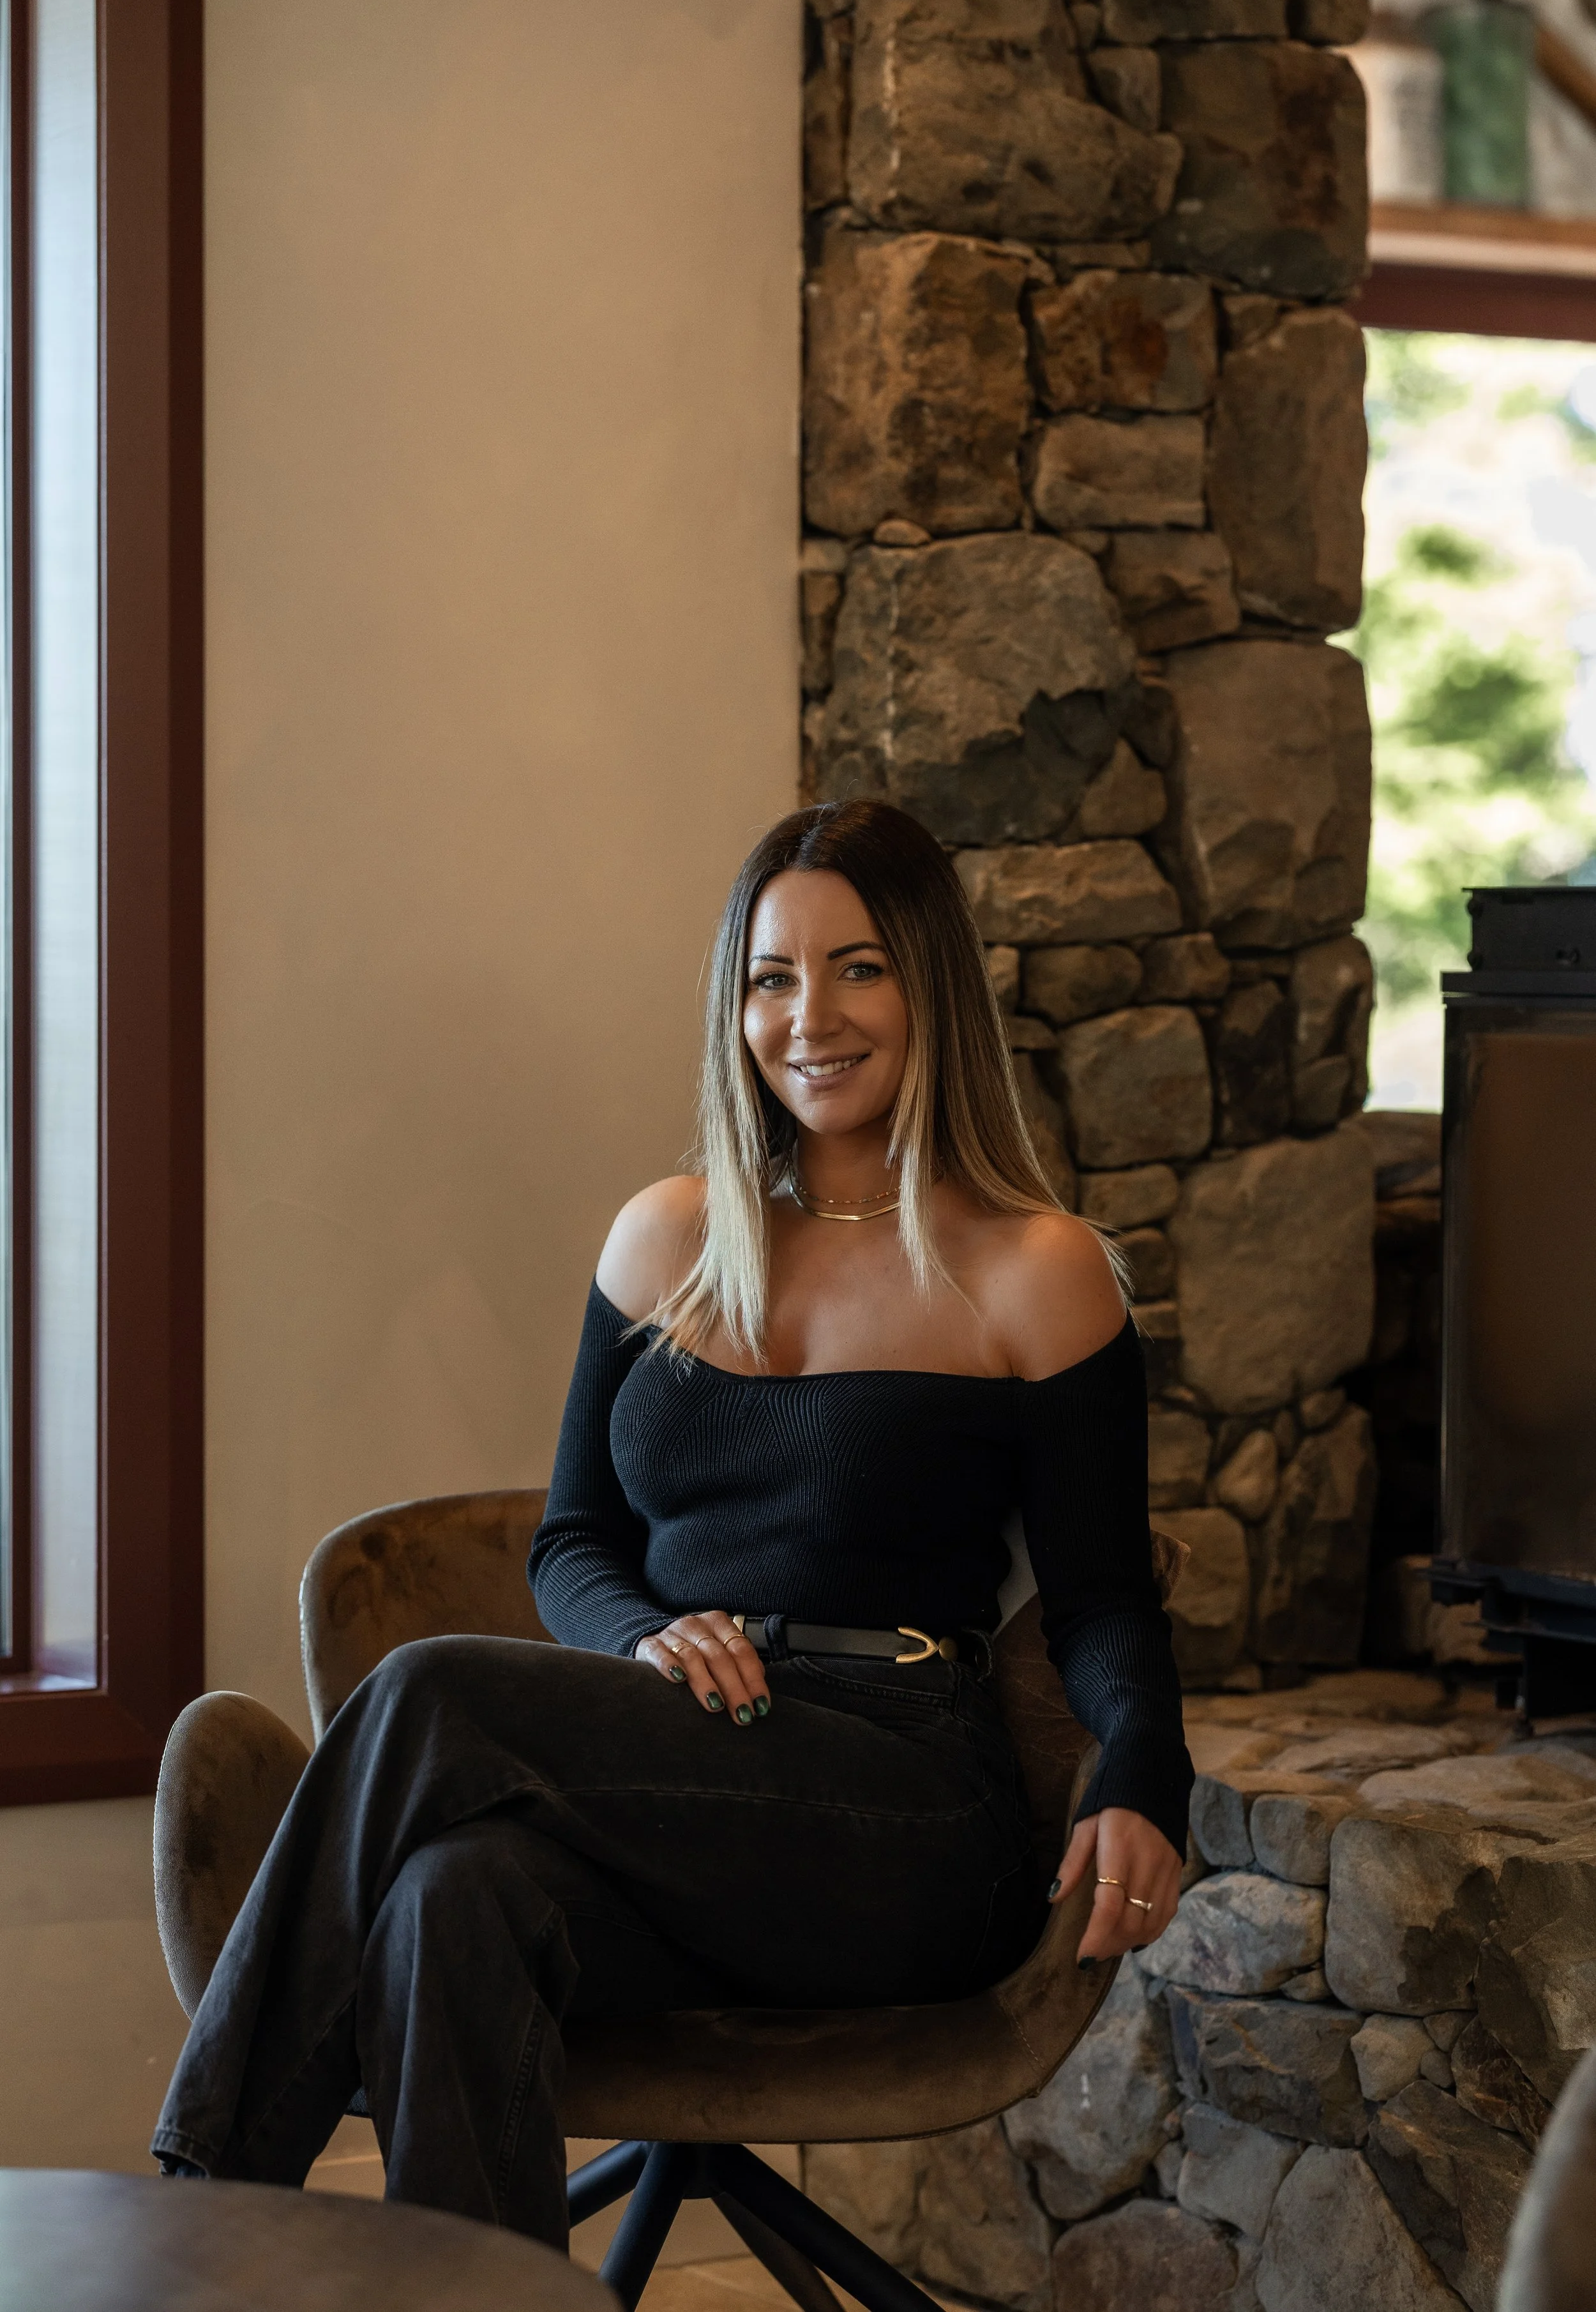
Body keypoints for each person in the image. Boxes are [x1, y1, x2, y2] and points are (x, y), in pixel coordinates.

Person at [152, 797, 1193, 2247]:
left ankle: (203, 2208)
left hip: (896, 1811)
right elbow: (572, 1542)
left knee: (429, 1690)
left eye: (859, 968)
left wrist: (1146, 1769)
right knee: (456, 1894)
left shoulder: (1035, 1270)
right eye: (771, 976)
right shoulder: (664, 1240)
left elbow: (1096, 1599)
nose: (807, 1016)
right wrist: (643, 1635)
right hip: (680, 1770)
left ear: (930, 987)